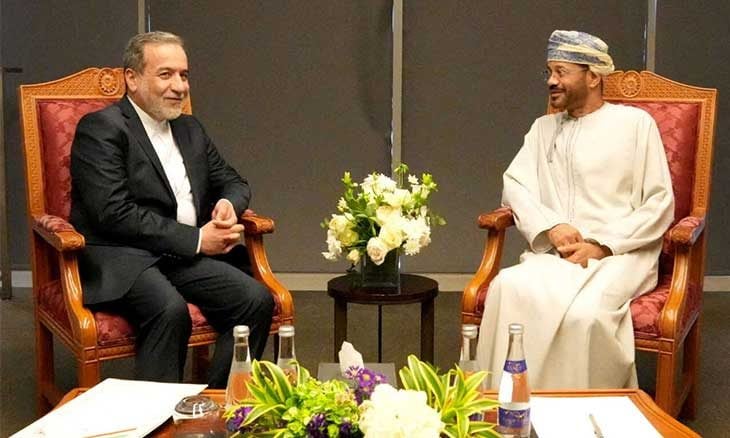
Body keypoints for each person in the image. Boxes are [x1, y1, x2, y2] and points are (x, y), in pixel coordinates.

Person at [70, 31, 274, 387]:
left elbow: (234, 181)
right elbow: (112, 213)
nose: (180, 86)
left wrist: (227, 204)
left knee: (254, 300)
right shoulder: (101, 129)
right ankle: (157, 415)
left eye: (184, 75)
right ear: (132, 78)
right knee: (168, 309)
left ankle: (217, 403)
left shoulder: (189, 128)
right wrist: (197, 239)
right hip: (125, 256)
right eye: (166, 74)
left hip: (179, 255)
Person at [476, 30, 674, 390]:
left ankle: (580, 411)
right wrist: (552, 226)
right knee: (507, 286)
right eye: (549, 71)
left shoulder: (635, 125)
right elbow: (515, 184)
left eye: (561, 72)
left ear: (593, 76)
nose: (551, 81)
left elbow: (659, 202)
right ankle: (509, 402)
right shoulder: (543, 128)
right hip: (558, 253)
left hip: (621, 254)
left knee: (586, 316)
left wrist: (600, 245)